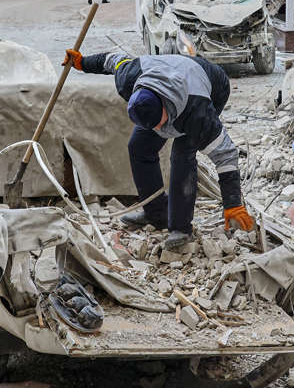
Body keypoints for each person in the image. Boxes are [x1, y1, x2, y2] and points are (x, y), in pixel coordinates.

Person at [63, 50, 255, 248]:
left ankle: (181, 228)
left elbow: (225, 153)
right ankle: (156, 215)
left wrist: (232, 203)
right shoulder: (129, 77)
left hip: (210, 85)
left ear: (164, 107)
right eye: (152, 126)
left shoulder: (197, 112)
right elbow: (111, 60)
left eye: (158, 123)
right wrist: (82, 62)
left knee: (182, 155)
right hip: (169, 75)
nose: (158, 130)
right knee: (139, 146)